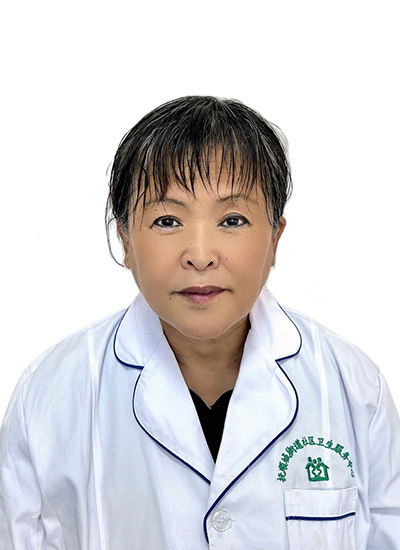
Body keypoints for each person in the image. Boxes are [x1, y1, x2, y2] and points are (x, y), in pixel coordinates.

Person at [0, 96, 399, 550]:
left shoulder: (353, 389)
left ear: (275, 238)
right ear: (125, 240)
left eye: (233, 219)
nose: (201, 255)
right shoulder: (50, 398)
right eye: (167, 220)